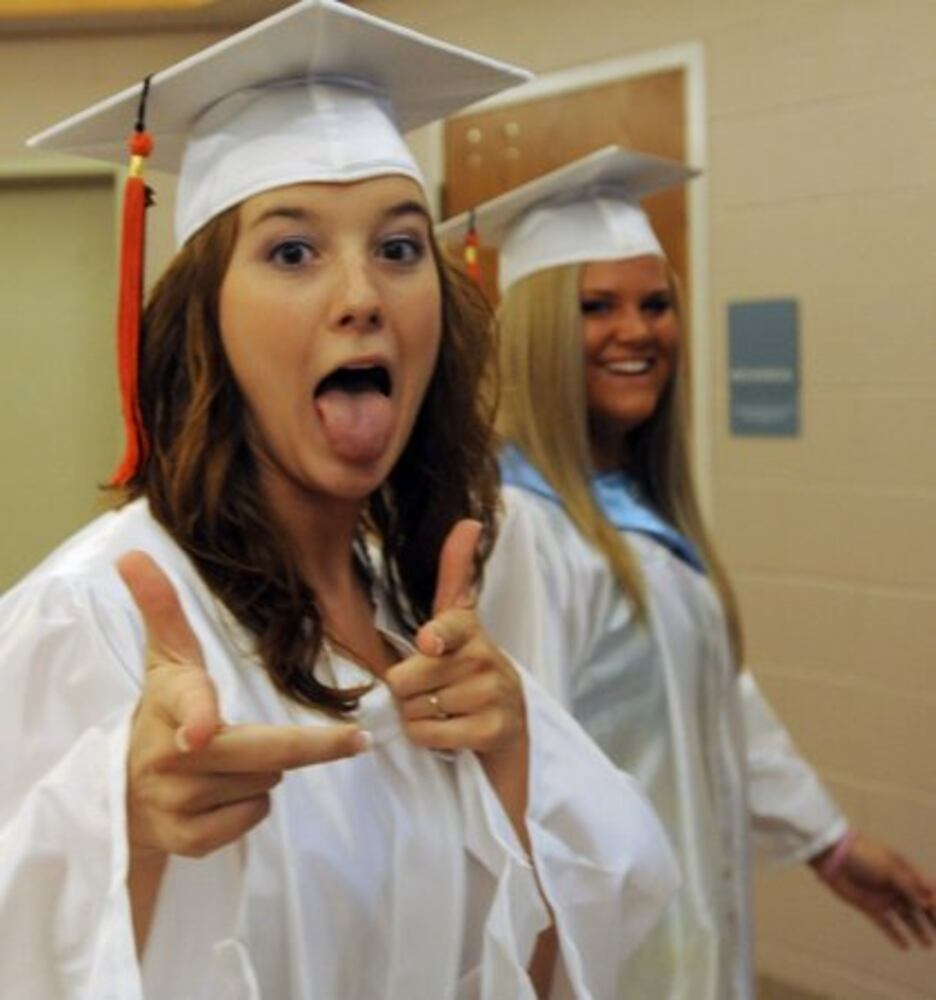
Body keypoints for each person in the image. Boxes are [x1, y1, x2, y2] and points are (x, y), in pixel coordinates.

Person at [0, 13, 681, 1000]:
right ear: (206, 322)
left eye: (401, 249)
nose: (363, 294)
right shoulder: (94, 612)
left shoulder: (419, 615)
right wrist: (119, 825)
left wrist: (514, 754)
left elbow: (577, 950)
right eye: (292, 253)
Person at [439, 145, 936, 999]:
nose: (637, 332)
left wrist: (830, 843)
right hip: (600, 963)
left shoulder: (631, 509)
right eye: (596, 306)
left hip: (688, 938)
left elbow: (718, 702)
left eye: (656, 304)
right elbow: (518, 793)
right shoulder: (527, 529)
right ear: (539, 332)